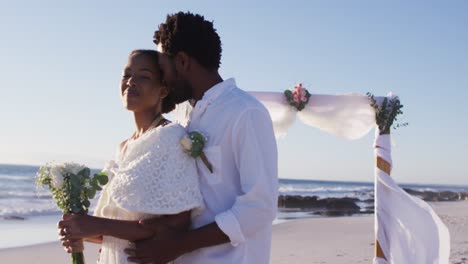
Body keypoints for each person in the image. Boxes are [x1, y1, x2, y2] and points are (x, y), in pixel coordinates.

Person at [125, 12, 278, 264]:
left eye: (163, 68)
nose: (163, 79)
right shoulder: (185, 115)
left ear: (183, 61)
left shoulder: (245, 112)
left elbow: (260, 207)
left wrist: (179, 245)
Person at [57, 49, 204, 264]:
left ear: (163, 89)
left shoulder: (170, 138)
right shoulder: (124, 147)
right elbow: (114, 231)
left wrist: (96, 225)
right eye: (127, 75)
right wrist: (80, 231)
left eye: (144, 76)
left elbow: (177, 227)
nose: (131, 81)